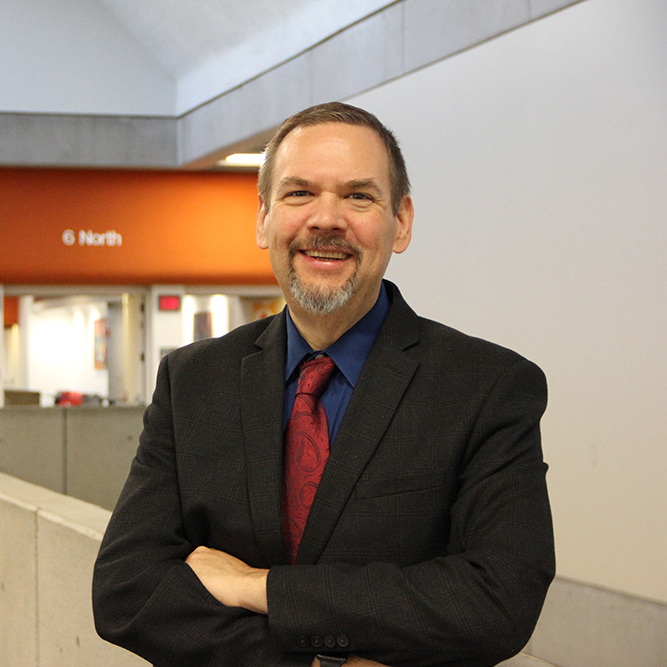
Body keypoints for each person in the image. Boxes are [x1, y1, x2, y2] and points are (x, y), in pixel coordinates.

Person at [93, 102, 555, 667]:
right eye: (298, 193)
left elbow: (498, 598)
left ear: (402, 221)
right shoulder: (193, 382)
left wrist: (258, 588)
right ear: (263, 218)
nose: (325, 219)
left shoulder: (487, 387)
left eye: (358, 195)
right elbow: (126, 588)